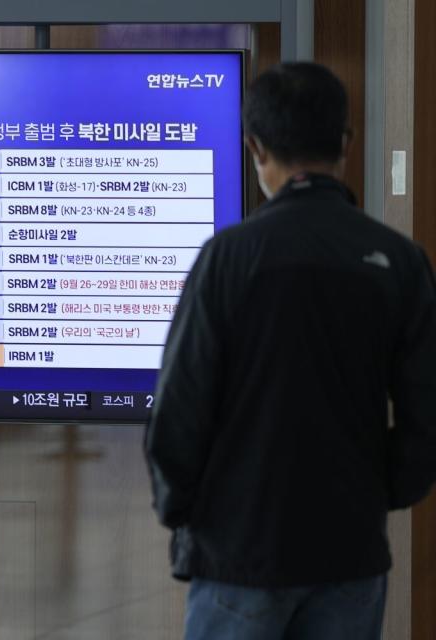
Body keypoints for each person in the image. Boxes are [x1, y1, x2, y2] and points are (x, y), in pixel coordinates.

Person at [144, 62, 436, 640]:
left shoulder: (227, 258)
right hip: (349, 553)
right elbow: (427, 410)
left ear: (254, 147)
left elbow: (179, 405)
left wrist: (183, 512)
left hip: (238, 551)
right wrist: (385, 491)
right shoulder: (398, 261)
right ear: (345, 143)